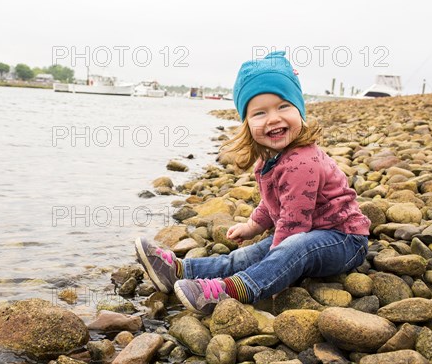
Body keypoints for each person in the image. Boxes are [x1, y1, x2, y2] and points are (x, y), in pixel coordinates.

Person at [135, 51, 370, 315]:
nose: (273, 118)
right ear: (247, 124)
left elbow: (294, 227)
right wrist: (252, 225)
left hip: (344, 240)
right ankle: (179, 270)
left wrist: (279, 273)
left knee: (291, 248)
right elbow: (273, 203)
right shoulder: (270, 160)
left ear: (300, 111)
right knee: (246, 256)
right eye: (260, 113)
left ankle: (234, 290)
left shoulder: (301, 162)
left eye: (283, 106)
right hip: (310, 232)